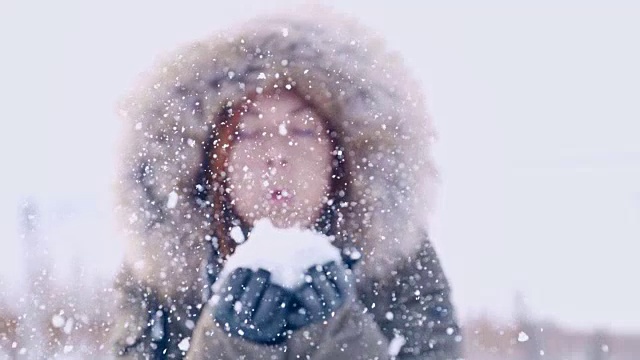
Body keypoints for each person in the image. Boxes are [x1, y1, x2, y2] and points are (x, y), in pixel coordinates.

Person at [111, 9, 462, 360]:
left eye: (303, 129)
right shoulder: (163, 277)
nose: (277, 154)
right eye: (247, 132)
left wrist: (341, 337)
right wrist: (227, 346)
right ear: (213, 165)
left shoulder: (400, 266)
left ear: (339, 160)